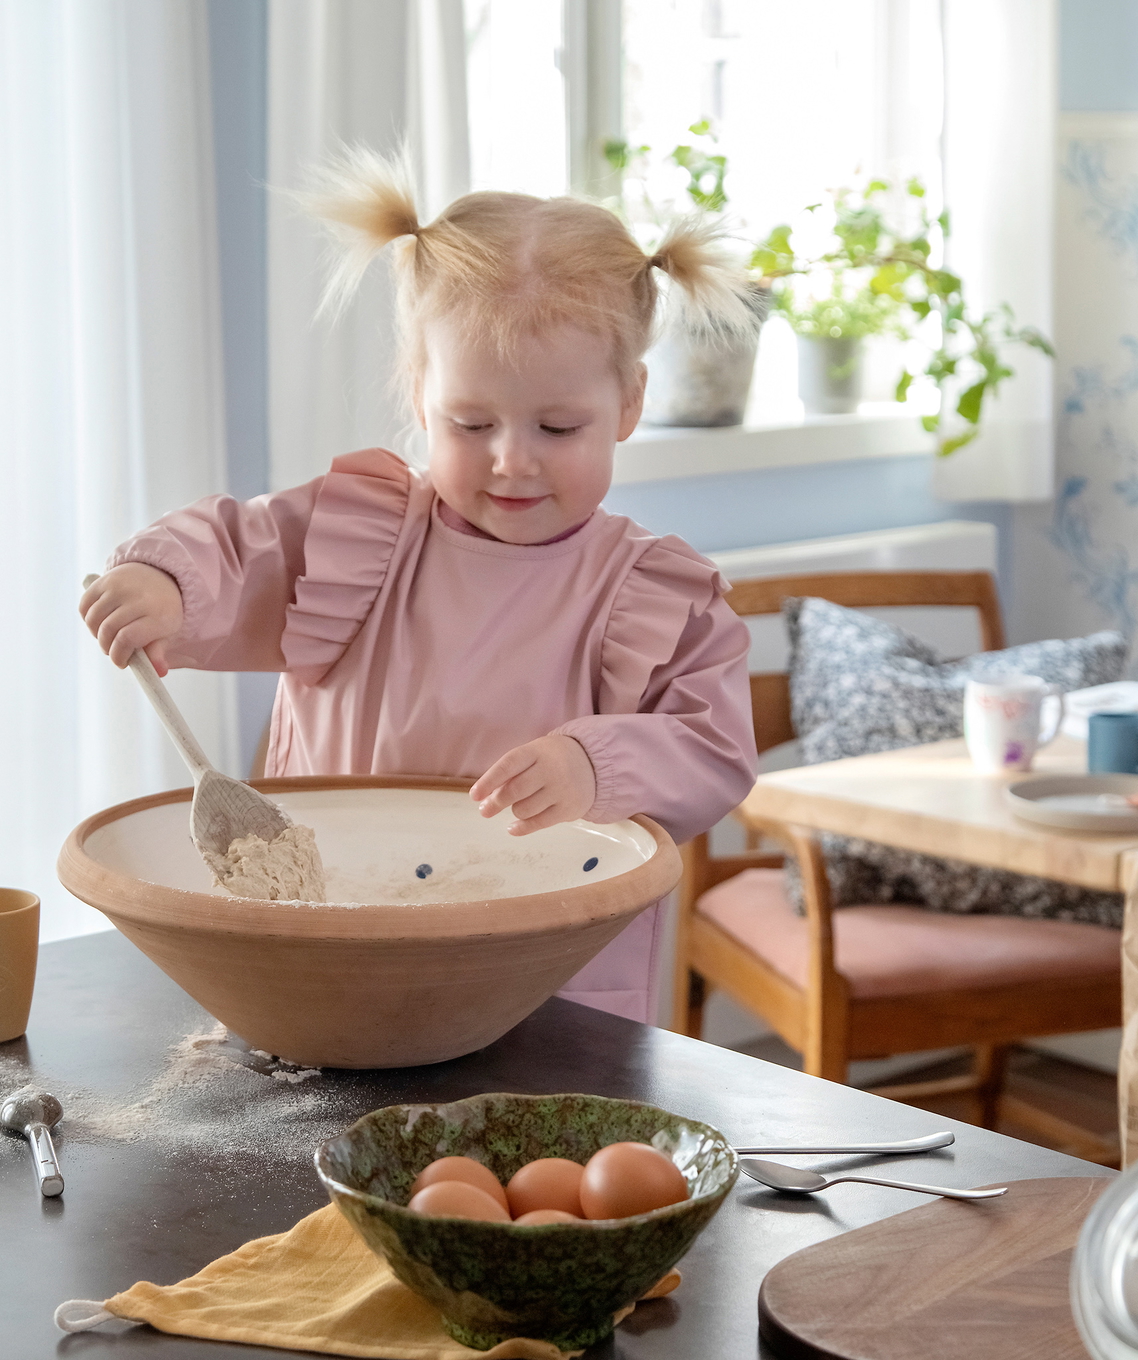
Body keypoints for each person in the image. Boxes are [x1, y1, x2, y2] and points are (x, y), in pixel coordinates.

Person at [79, 149, 758, 1023]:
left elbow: (713, 747)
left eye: (559, 426)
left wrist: (599, 765)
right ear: (419, 392)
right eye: (471, 423)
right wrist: (166, 582)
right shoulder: (356, 532)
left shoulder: (654, 596)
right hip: (332, 943)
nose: (513, 458)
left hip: (539, 984)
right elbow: (235, 548)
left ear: (629, 404)